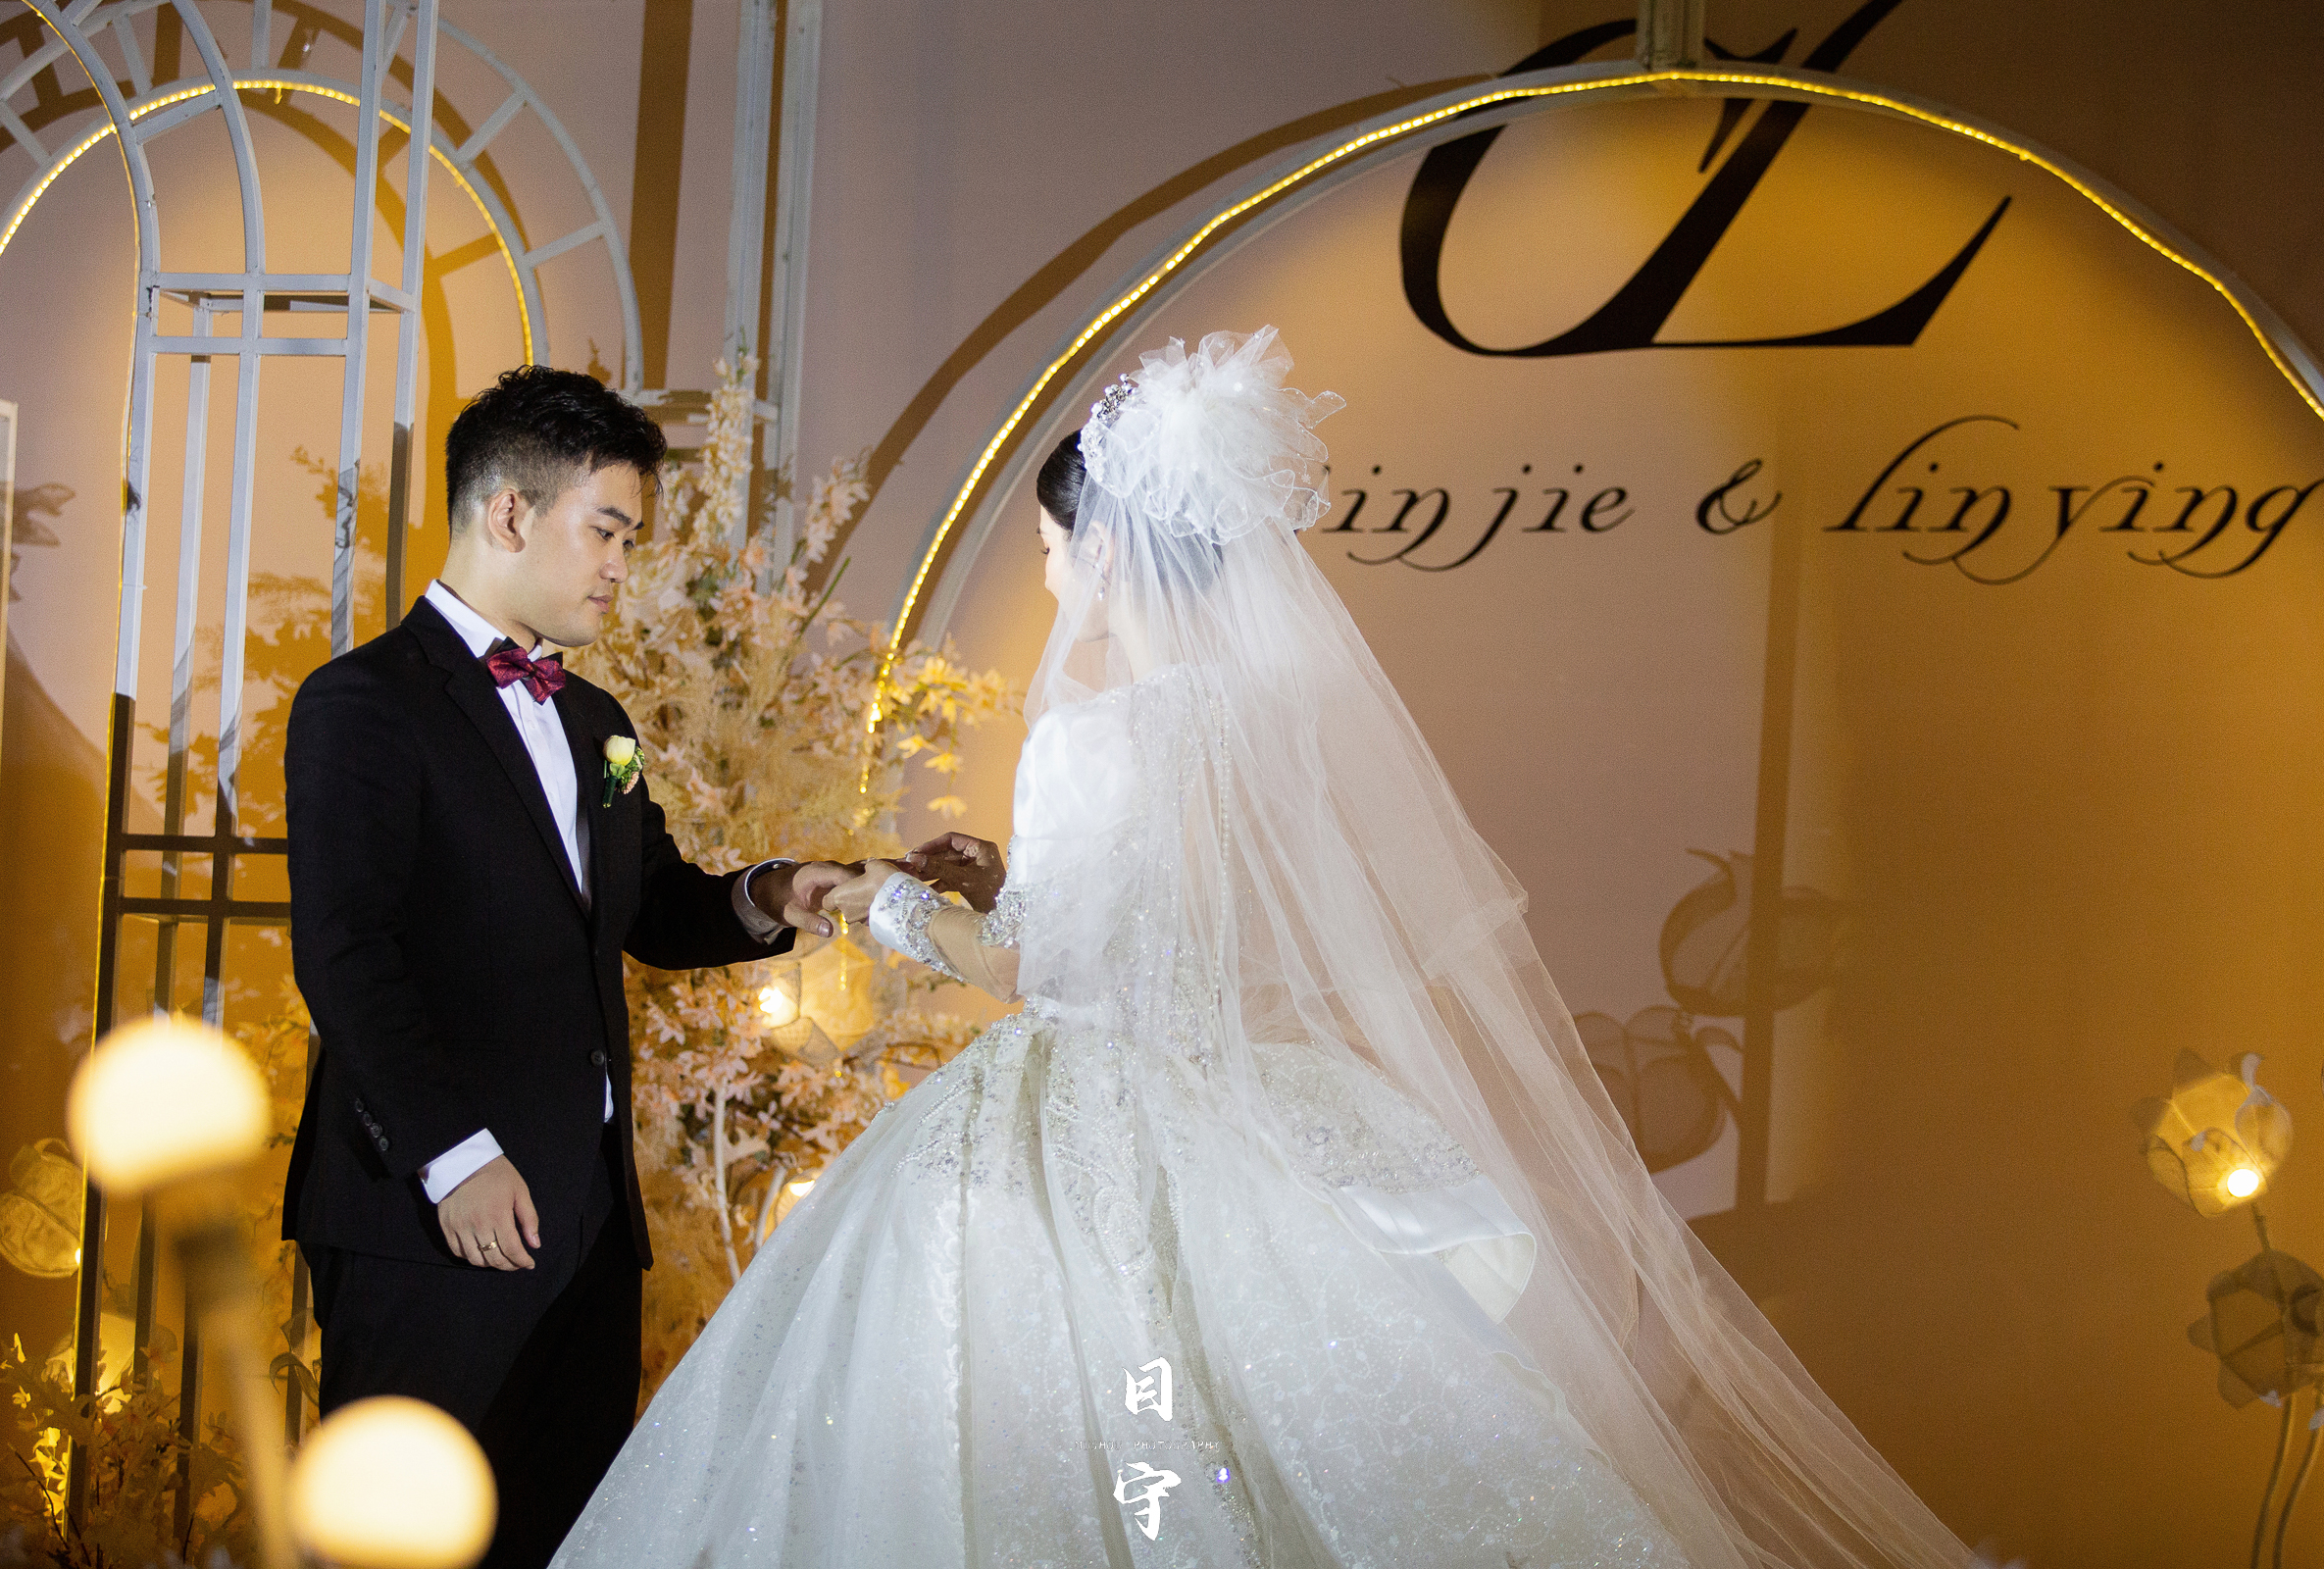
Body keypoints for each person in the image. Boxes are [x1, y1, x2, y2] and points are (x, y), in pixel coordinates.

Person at [550, 329, 1975, 1567]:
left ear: (1106, 547)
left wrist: (884, 900)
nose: (1052, 580)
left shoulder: (1097, 731)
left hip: (1088, 1120)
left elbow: (1031, 971)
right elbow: (1174, 923)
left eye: (1049, 552)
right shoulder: (1268, 724)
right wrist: (1007, 879)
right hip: (1235, 1111)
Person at [281, 367, 861, 1569]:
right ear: (509, 512)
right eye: (606, 531)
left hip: (588, 1224)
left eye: (629, 540)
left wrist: (776, 893)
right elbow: (346, 952)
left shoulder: (598, 720)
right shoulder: (362, 702)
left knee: (565, 1542)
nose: (619, 566)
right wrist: (454, 1157)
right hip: (430, 1219)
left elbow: (654, 908)